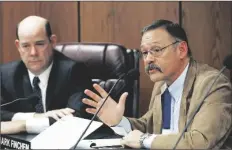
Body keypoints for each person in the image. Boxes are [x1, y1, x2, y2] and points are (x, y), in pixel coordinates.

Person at [82, 19, 232, 149]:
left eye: (156, 50)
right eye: (145, 53)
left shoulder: (212, 84)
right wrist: (119, 121)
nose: (148, 59)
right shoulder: (161, 84)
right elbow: (149, 126)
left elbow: (200, 142)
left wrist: (143, 140)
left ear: (181, 50)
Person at [0, 16, 92, 134]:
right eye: (26, 46)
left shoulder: (74, 71)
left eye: (39, 44)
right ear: (18, 46)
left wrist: (24, 125)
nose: (33, 53)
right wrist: (38, 116)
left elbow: (76, 118)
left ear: (52, 41)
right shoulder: (6, 74)